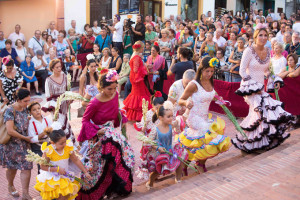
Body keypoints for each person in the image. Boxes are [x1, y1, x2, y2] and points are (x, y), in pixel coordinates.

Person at [232, 28, 294, 153]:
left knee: (262, 114)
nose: (264, 37)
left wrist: (274, 79)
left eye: (266, 35)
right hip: (249, 87)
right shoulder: (248, 50)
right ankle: (250, 142)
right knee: (258, 113)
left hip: (261, 87)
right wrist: (252, 85)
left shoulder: (268, 50)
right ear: (255, 37)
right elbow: (242, 71)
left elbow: (266, 71)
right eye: (261, 35)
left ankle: (256, 142)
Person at [77, 69, 134, 199]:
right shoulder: (94, 102)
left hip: (112, 135)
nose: (113, 92)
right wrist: (97, 131)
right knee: (98, 166)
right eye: (109, 89)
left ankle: (116, 190)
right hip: (99, 136)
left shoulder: (115, 95)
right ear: (101, 87)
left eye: (115, 88)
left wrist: (122, 120)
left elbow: (117, 110)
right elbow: (85, 120)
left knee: (119, 160)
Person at [178, 57, 231, 173]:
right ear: (201, 70)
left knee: (202, 142)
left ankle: (196, 163)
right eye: (207, 71)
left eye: (212, 71)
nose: (210, 74)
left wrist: (218, 99)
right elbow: (180, 100)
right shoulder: (193, 84)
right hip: (194, 118)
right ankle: (197, 163)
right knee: (209, 134)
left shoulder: (210, 81)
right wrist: (186, 102)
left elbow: (212, 95)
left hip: (205, 117)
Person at [35, 128, 92, 200]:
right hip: (53, 178)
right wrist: (56, 169)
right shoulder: (48, 151)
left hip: (65, 176)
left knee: (67, 195)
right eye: (61, 143)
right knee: (61, 196)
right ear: (53, 143)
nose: (64, 144)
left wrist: (85, 172)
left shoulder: (68, 148)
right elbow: (42, 166)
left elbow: (76, 160)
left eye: (65, 141)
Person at [145, 101, 188, 189]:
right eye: (168, 116)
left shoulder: (170, 125)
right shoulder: (155, 129)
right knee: (159, 170)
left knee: (180, 160)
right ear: (160, 118)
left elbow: (179, 122)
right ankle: (150, 182)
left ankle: (178, 179)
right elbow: (148, 141)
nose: (171, 118)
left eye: (172, 115)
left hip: (169, 149)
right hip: (159, 152)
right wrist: (157, 147)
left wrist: (186, 112)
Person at [0, 88, 33, 199]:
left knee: (27, 167)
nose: (27, 103)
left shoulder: (24, 109)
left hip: (24, 144)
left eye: (29, 100)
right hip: (11, 145)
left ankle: (25, 193)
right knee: (12, 168)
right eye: (25, 101)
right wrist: (24, 137)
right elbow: (10, 130)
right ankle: (10, 185)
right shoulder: (10, 110)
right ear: (18, 100)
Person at [42, 59, 78, 146]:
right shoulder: (48, 80)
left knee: (65, 122)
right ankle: (65, 143)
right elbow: (48, 96)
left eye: (60, 67)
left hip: (64, 103)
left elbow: (68, 90)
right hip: (55, 105)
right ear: (52, 68)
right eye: (57, 67)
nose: (59, 69)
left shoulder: (65, 76)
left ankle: (69, 144)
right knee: (60, 124)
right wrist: (55, 107)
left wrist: (70, 98)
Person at [123, 41, 152, 121]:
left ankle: (135, 114)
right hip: (137, 79)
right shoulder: (136, 57)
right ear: (140, 48)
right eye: (143, 47)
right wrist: (145, 67)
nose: (144, 49)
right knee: (139, 95)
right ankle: (140, 115)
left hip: (135, 78)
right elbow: (136, 69)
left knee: (136, 94)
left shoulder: (134, 55)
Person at [27, 102, 52, 172]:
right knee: (42, 165)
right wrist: (43, 134)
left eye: (38, 108)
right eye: (34, 110)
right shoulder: (31, 123)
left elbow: (53, 128)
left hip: (48, 144)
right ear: (30, 112)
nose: (37, 111)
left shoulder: (46, 119)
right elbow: (32, 139)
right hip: (37, 146)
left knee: (52, 163)